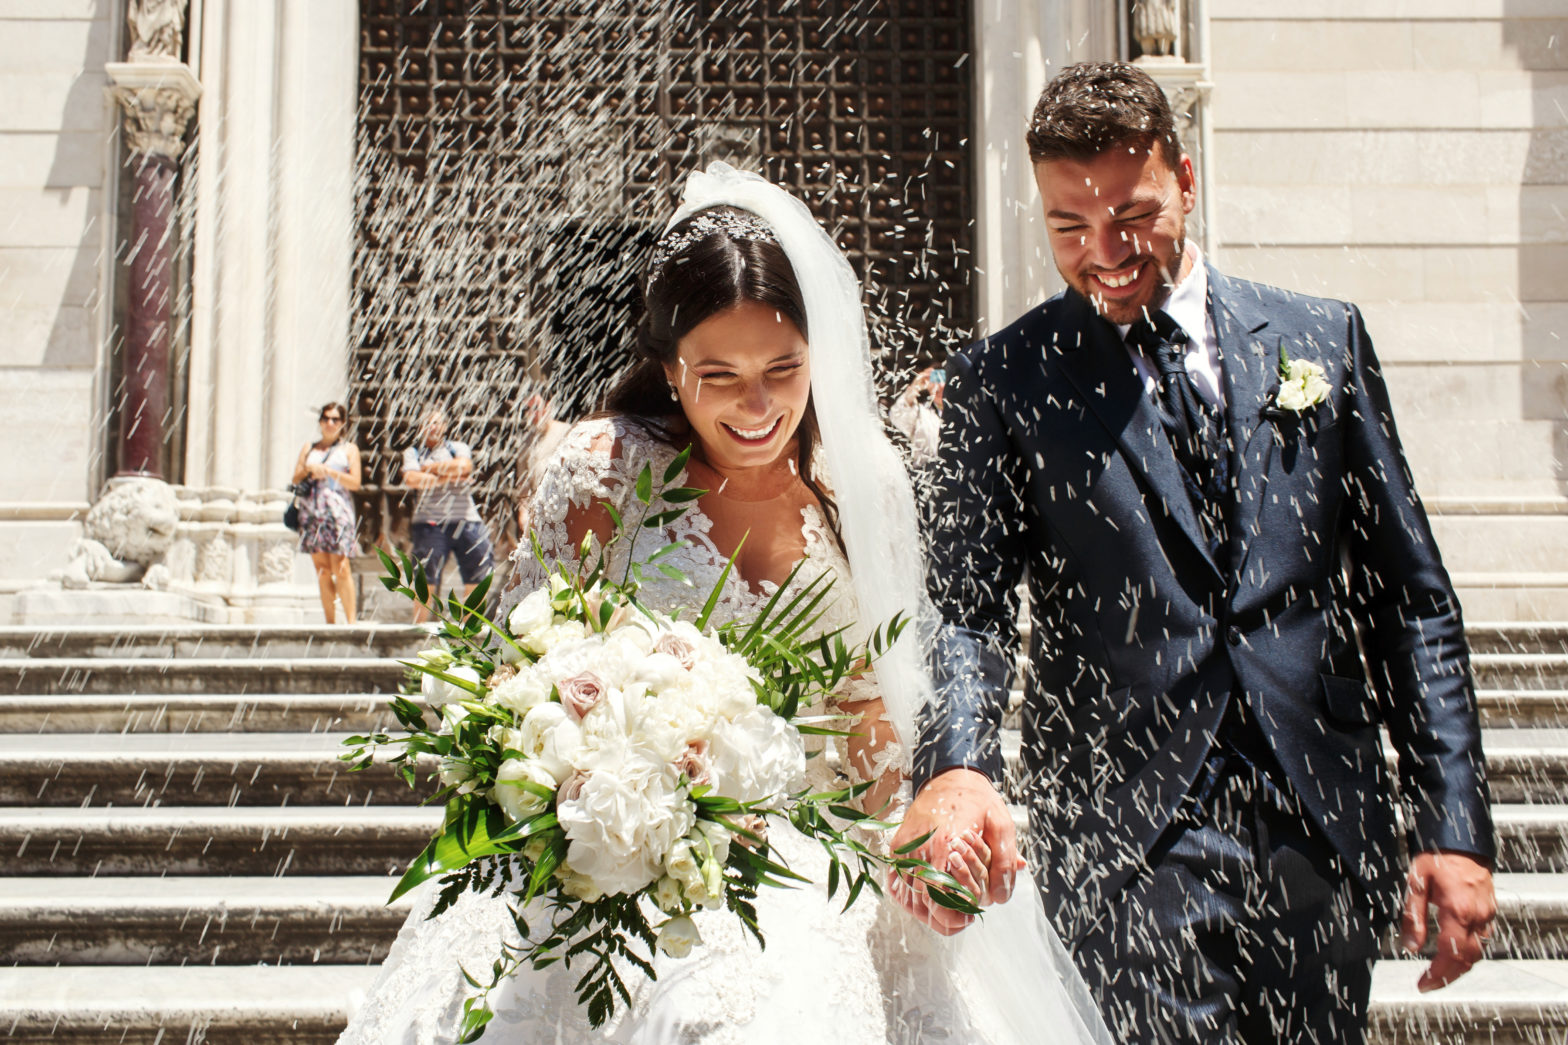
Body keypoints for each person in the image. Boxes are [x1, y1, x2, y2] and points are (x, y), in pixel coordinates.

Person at [338, 164, 1113, 1045]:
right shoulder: (603, 472)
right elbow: (518, 678)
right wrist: (604, 781)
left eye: (783, 369)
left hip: (807, 856)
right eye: (720, 374)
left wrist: (913, 833)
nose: (758, 405)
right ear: (670, 370)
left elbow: (866, 720)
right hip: (620, 861)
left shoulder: (862, 489)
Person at [892, 62, 1496, 1044]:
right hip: (1130, 837)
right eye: (1066, 228)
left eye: (1130, 216)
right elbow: (965, 607)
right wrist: (956, 763)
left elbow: (1407, 599)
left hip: (1318, 821)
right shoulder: (1002, 379)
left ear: (1185, 176)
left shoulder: (1320, 340)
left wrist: (1450, 823)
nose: (1102, 254)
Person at [402, 408, 495, 623]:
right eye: (428, 423)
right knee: (425, 576)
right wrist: (449, 477)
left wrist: (430, 468)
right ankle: (420, 629)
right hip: (430, 522)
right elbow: (412, 480)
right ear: (421, 428)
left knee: (479, 571)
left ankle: (468, 628)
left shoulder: (458, 447)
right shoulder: (413, 452)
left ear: (444, 427)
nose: (432, 427)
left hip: (467, 520)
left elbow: (465, 466)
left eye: (436, 423)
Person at [291, 402, 361, 624]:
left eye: (335, 419)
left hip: (338, 513)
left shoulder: (349, 450)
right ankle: (330, 623)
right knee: (322, 569)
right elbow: (295, 479)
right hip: (312, 512)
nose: (330, 423)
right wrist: (310, 469)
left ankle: (351, 622)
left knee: (341, 566)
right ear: (320, 421)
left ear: (342, 424)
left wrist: (329, 472)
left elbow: (355, 483)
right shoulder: (309, 448)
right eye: (326, 418)